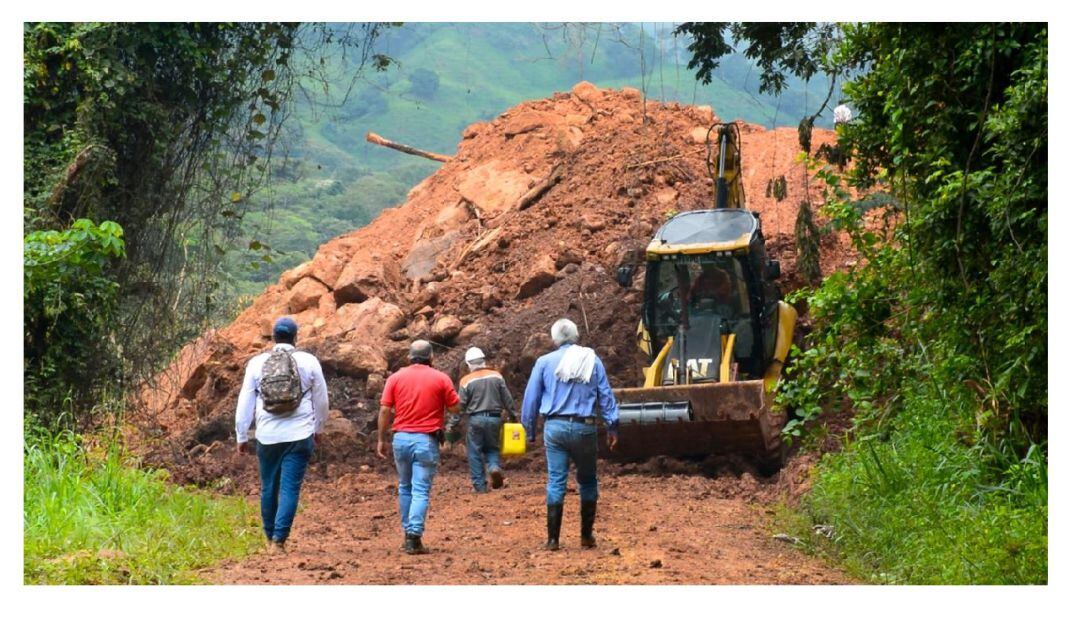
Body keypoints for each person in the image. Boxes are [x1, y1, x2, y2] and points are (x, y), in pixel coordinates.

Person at [521, 318, 618, 551]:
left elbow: (531, 398)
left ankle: (553, 540)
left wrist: (529, 428)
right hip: (585, 428)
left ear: (555, 339)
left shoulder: (544, 362)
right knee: (587, 480)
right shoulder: (592, 360)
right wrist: (613, 425)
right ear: (576, 336)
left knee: (556, 480)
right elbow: (605, 395)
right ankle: (586, 537)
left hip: (555, 428)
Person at [235, 317, 328, 555]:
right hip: (300, 435)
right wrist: (319, 428)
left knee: (268, 487)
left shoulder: (257, 363)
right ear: (296, 337)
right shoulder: (308, 361)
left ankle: (268, 538)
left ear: (274, 338)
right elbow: (321, 399)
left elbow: (245, 401)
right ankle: (279, 540)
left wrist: (241, 435)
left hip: (267, 436)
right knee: (289, 489)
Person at [377, 340, 460, 555]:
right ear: (431, 357)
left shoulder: (395, 378)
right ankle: (413, 536)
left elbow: (385, 410)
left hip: (401, 439)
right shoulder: (441, 378)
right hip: (426, 440)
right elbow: (454, 408)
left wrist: (381, 438)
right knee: (421, 489)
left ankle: (408, 533)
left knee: (405, 486)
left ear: (409, 357)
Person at [445, 346, 517, 493]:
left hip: (476, 420)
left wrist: (452, 424)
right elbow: (507, 399)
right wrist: (513, 416)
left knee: (474, 451)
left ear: (469, 364)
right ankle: (494, 467)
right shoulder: (496, 376)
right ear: (483, 361)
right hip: (495, 419)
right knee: (492, 448)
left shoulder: (466, 381)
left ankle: (479, 486)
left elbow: (460, 407)